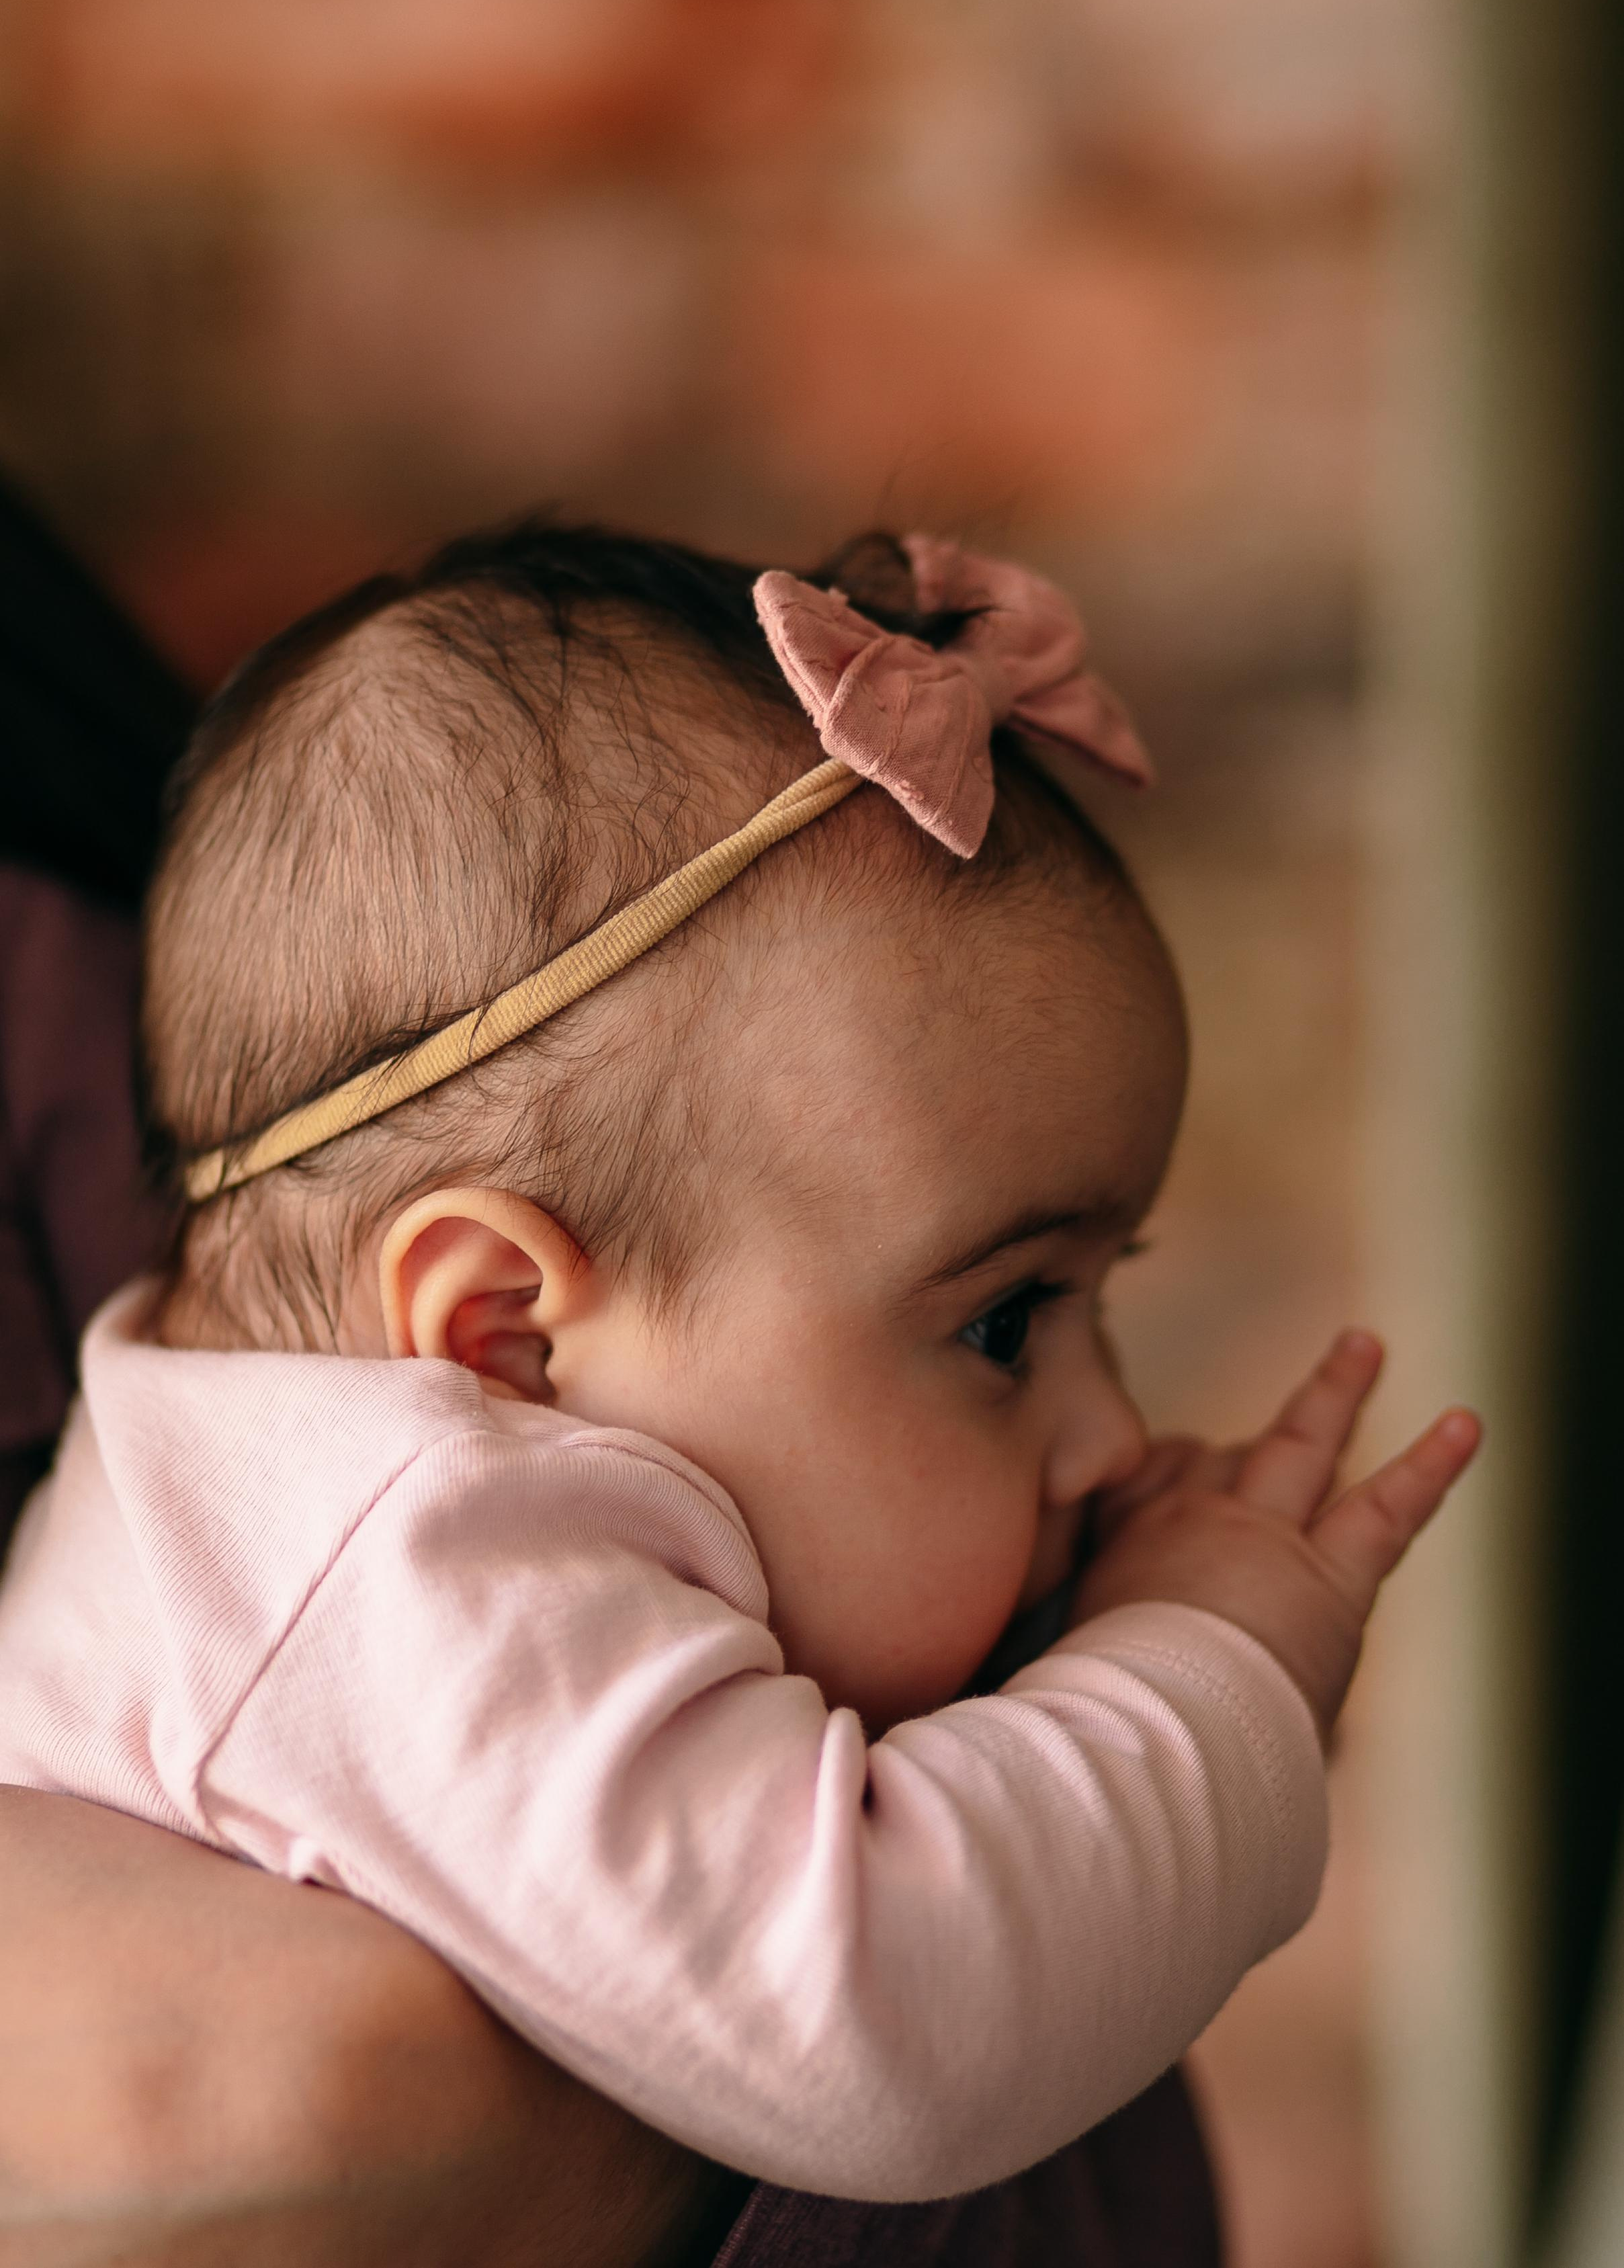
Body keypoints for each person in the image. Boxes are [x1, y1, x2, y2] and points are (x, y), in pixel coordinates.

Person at [0, 516, 1476, 2238]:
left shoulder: (342, 1481)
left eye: (1100, 1301)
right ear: (502, 1336)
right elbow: (889, 2012)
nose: (1111, 1437)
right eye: (1006, 1322)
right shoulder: (399, 1572)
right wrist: (1217, 1667)